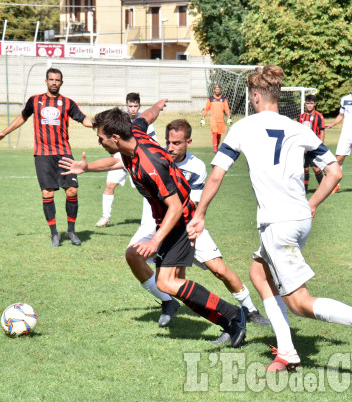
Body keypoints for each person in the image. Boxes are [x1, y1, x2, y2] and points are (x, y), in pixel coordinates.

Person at [187, 65, 352, 371]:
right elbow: (334, 172)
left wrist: (200, 213)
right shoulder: (299, 128)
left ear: (256, 96)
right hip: (300, 218)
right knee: (258, 273)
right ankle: (287, 351)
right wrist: (312, 204)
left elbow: (217, 175)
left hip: (278, 224)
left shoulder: (244, 127)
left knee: (299, 302)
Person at [58, 101, 248, 348]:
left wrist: (155, 239)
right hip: (169, 221)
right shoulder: (133, 132)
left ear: (115, 138)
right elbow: (146, 116)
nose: (100, 143)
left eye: (101, 138)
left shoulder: (150, 164)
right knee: (167, 282)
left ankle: (234, 315)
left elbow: (176, 206)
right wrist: (157, 106)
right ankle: (230, 320)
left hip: (180, 221)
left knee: (168, 282)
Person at [122, 118, 270, 335]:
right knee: (165, 276)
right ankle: (170, 304)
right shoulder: (156, 157)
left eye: (177, 143)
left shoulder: (196, 166)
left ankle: (249, 309)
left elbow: (195, 205)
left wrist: (187, 234)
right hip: (162, 226)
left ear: (188, 142)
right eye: (168, 142)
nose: (171, 147)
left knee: (219, 270)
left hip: (190, 226)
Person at [0, 68, 92, 247]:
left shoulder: (67, 103)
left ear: (61, 82)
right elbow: (22, 117)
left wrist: (102, 123)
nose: (54, 82)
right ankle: (54, 234)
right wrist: (4, 133)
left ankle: (71, 231)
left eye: (57, 80)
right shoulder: (35, 101)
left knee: (72, 191)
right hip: (43, 154)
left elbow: (84, 120)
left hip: (64, 153)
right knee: (47, 193)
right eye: (51, 79)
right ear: (46, 81)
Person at [94, 93, 158, 227]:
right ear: (126, 105)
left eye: (135, 106)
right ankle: (106, 217)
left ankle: (150, 219)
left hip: (137, 159)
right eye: (130, 106)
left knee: (146, 190)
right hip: (120, 158)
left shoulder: (145, 122)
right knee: (109, 185)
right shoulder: (120, 120)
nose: (133, 109)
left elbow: (152, 142)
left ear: (139, 106)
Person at [297, 94, 325, 193]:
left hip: (314, 146)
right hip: (303, 146)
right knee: (305, 168)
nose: (309, 105)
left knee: (316, 168)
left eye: (311, 103)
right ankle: (305, 189)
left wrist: (321, 144)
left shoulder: (319, 116)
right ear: (305, 104)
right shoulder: (301, 117)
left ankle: (323, 188)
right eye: (308, 103)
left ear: (315, 104)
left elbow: (322, 130)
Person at [201, 85, 232, 153]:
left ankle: (216, 147)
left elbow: (226, 109)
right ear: (214, 90)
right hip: (212, 119)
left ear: (220, 90)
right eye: (216, 89)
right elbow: (206, 109)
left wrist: (229, 117)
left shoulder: (224, 99)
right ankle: (215, 150)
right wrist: (203, 118)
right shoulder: (210, 99)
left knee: (219, 135)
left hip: (220, 119)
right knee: (215, 133)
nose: (217, 90)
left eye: (218, 89)